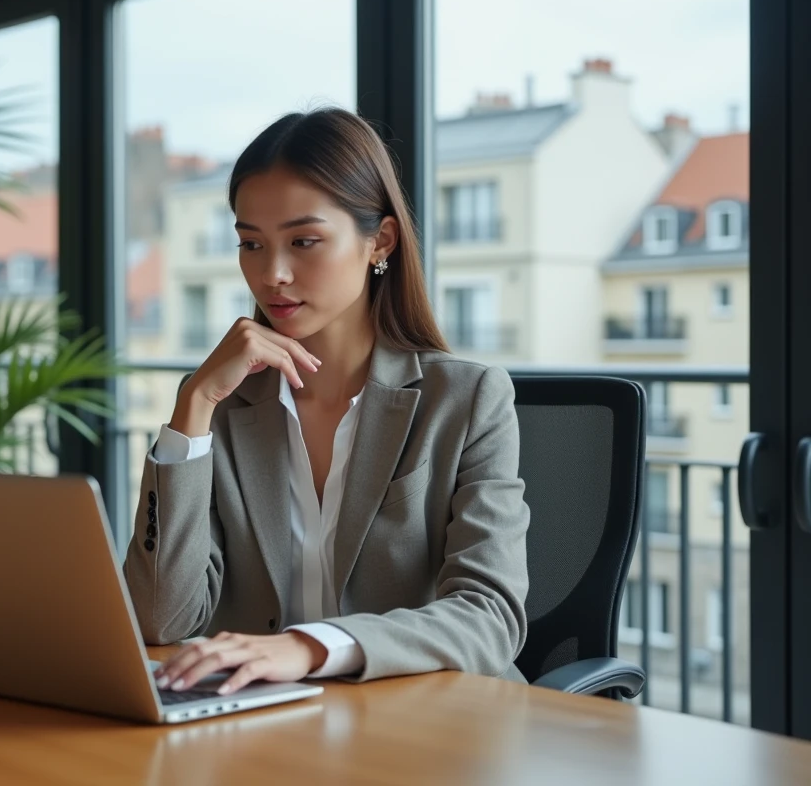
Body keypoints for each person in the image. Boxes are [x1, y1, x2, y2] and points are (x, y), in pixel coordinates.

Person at [124, 108, 529, 697]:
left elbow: (489, 616)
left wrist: (310, 646)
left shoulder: (466, 401)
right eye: (251, 244)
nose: (272, 274)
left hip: (422, 720)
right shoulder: (224, 406)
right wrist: (194, 404)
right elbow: (160, 618)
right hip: (266, 720)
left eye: (304, 241)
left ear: (379, 241)